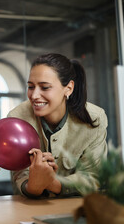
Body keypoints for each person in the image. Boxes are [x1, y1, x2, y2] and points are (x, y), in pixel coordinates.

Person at [8, 53, 107, 198]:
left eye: (45, 87)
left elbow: (93, 176)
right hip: (29, 208)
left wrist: (52, 183)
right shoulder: (17, 119)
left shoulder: (95, 118)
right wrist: (33, 186)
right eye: (30, 86)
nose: (34, 95)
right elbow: (19, 175)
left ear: (69, 88)